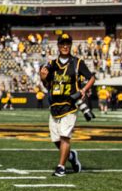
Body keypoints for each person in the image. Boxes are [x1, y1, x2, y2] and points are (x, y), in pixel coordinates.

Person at [39, 34, 95, 177]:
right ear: (58, 46)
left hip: (70, 105)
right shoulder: (51, 64)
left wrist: (83, 90)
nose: (65, 46)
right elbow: (47, 85)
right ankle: (71, 156)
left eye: (67, 43)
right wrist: (43, 78)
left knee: (65, 136)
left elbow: (91, 77)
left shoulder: (77, 62)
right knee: (56, 139)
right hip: (55, 106)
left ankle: (61, 167)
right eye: (62, 43)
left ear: (71, 45)